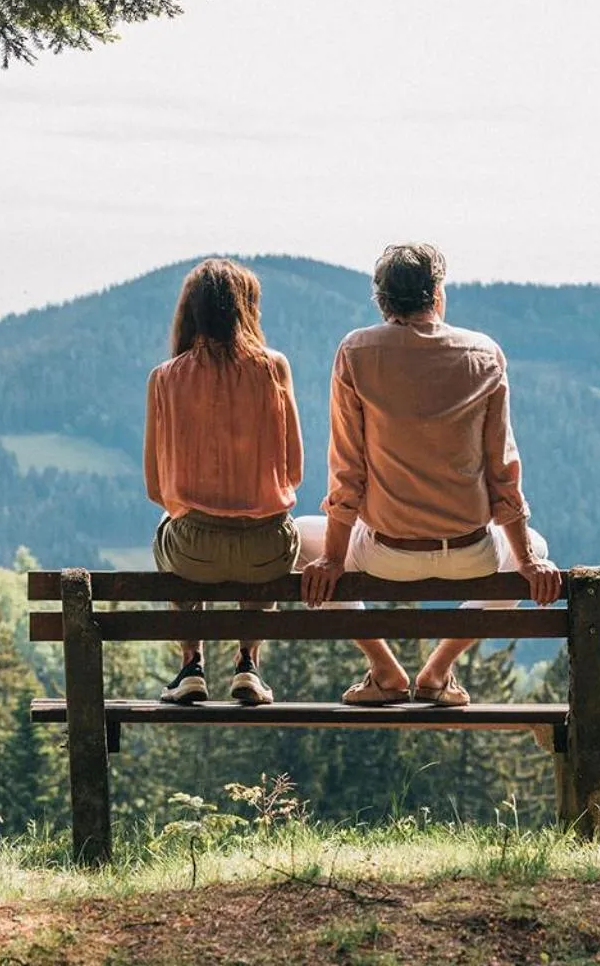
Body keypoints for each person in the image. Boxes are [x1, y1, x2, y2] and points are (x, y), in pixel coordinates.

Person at [299, 242, 562, 707]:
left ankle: (384, 669)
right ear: (437, 294)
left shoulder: (356, 352)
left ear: (382, 301)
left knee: (298, 536)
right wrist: (525, 559)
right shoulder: (483, 354)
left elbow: (347, 471)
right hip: (471, 552)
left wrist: (335, 559)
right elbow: (503, 470)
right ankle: (438, 672)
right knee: (536, 548)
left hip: (384, 552)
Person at [145, 258, 304, 706]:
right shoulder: (274, 369)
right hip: (266, 550)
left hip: (193, 551)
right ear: (245, 310)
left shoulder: (165, 377)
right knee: (271, 529)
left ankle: (190, 666)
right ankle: (248, 664)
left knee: (166, 528)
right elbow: (294, 473)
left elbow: (156, 489)